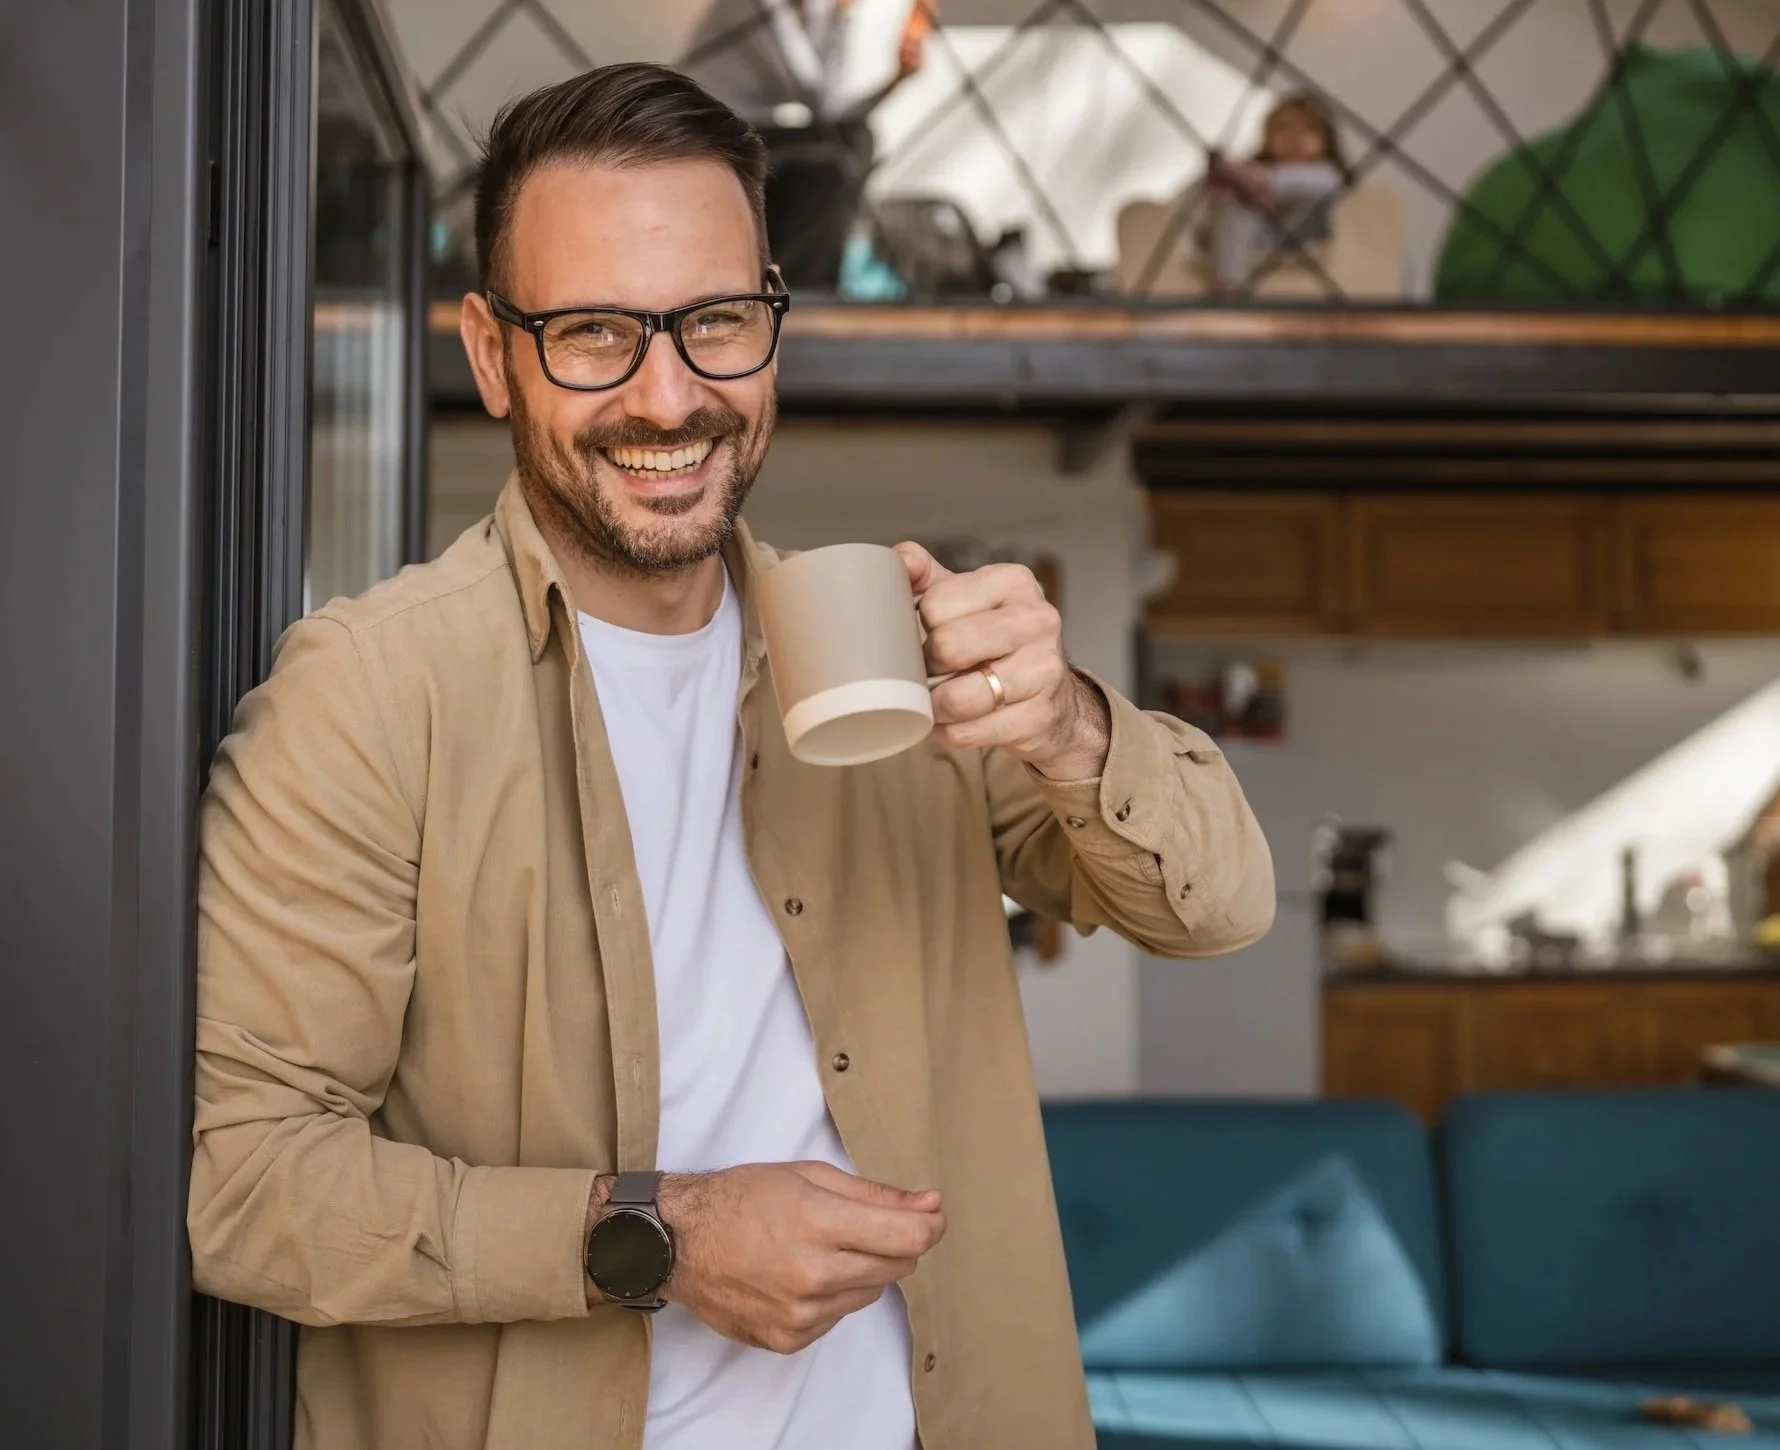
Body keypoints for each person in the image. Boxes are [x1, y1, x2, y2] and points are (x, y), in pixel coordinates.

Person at [187, 63, 1275, 1450]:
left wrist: (1067, 723)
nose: (668, 396)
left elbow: (1217, 906)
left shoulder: (890, 651)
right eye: (592, 332)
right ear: (491, 352)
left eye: (714, 322)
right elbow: (244, 1185)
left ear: (771, 320)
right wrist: (657, 1237)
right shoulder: (370, 698)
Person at [681, 0, 933, 287]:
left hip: (756, 133)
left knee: (856, 139)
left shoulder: (814, 10)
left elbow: (836, 111)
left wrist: (897, 79)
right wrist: (840, 20)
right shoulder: (753, 7)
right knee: (841, 154)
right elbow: (820, 100)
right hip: (711, 135)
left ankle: (815, 280)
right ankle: (807, 284)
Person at [1205, 91, 1352, 295]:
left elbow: (1280, 182)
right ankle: (1227, 285)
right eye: (1283, 128)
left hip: (1308, 238)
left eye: (1309, 129)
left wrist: (1244, 175)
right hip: (1263, 241)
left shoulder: (1328, 175)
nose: (1295, 138)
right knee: (1234, 206)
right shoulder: (1260, 172)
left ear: (1327, 139)